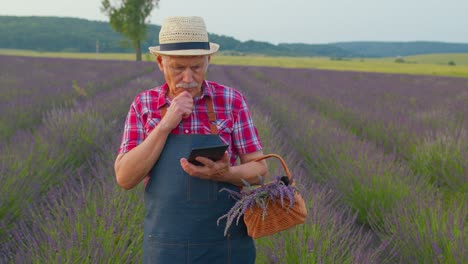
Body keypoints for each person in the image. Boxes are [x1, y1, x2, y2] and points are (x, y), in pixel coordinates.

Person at [115, 16, 268, 263]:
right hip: (166, 247)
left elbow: (260, 171)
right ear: (160, 63)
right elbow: (125, 178)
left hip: (226, 247)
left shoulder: (231, 101)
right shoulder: (144, 105)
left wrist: (224, 174)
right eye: (178, 68)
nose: (188, 78)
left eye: (196, 67)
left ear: (209, 60)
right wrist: (165, 125)